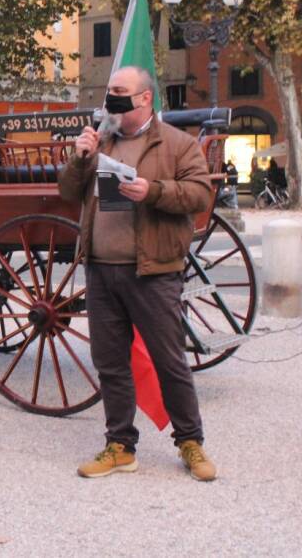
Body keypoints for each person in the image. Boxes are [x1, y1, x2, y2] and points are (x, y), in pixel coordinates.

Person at [58, 66, 216, 482]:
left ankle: (190, 442)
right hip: (102, 270)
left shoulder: (178, 144)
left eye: (120, 92)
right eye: (109, 91)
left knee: (169, 361)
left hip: (152, 271)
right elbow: (68, 193)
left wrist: (154, 191)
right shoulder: (101, 142)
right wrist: (79, 159)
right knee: (110, 363)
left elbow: (200, 194)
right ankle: (121, 446)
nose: (111, 99)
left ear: (145, 98)